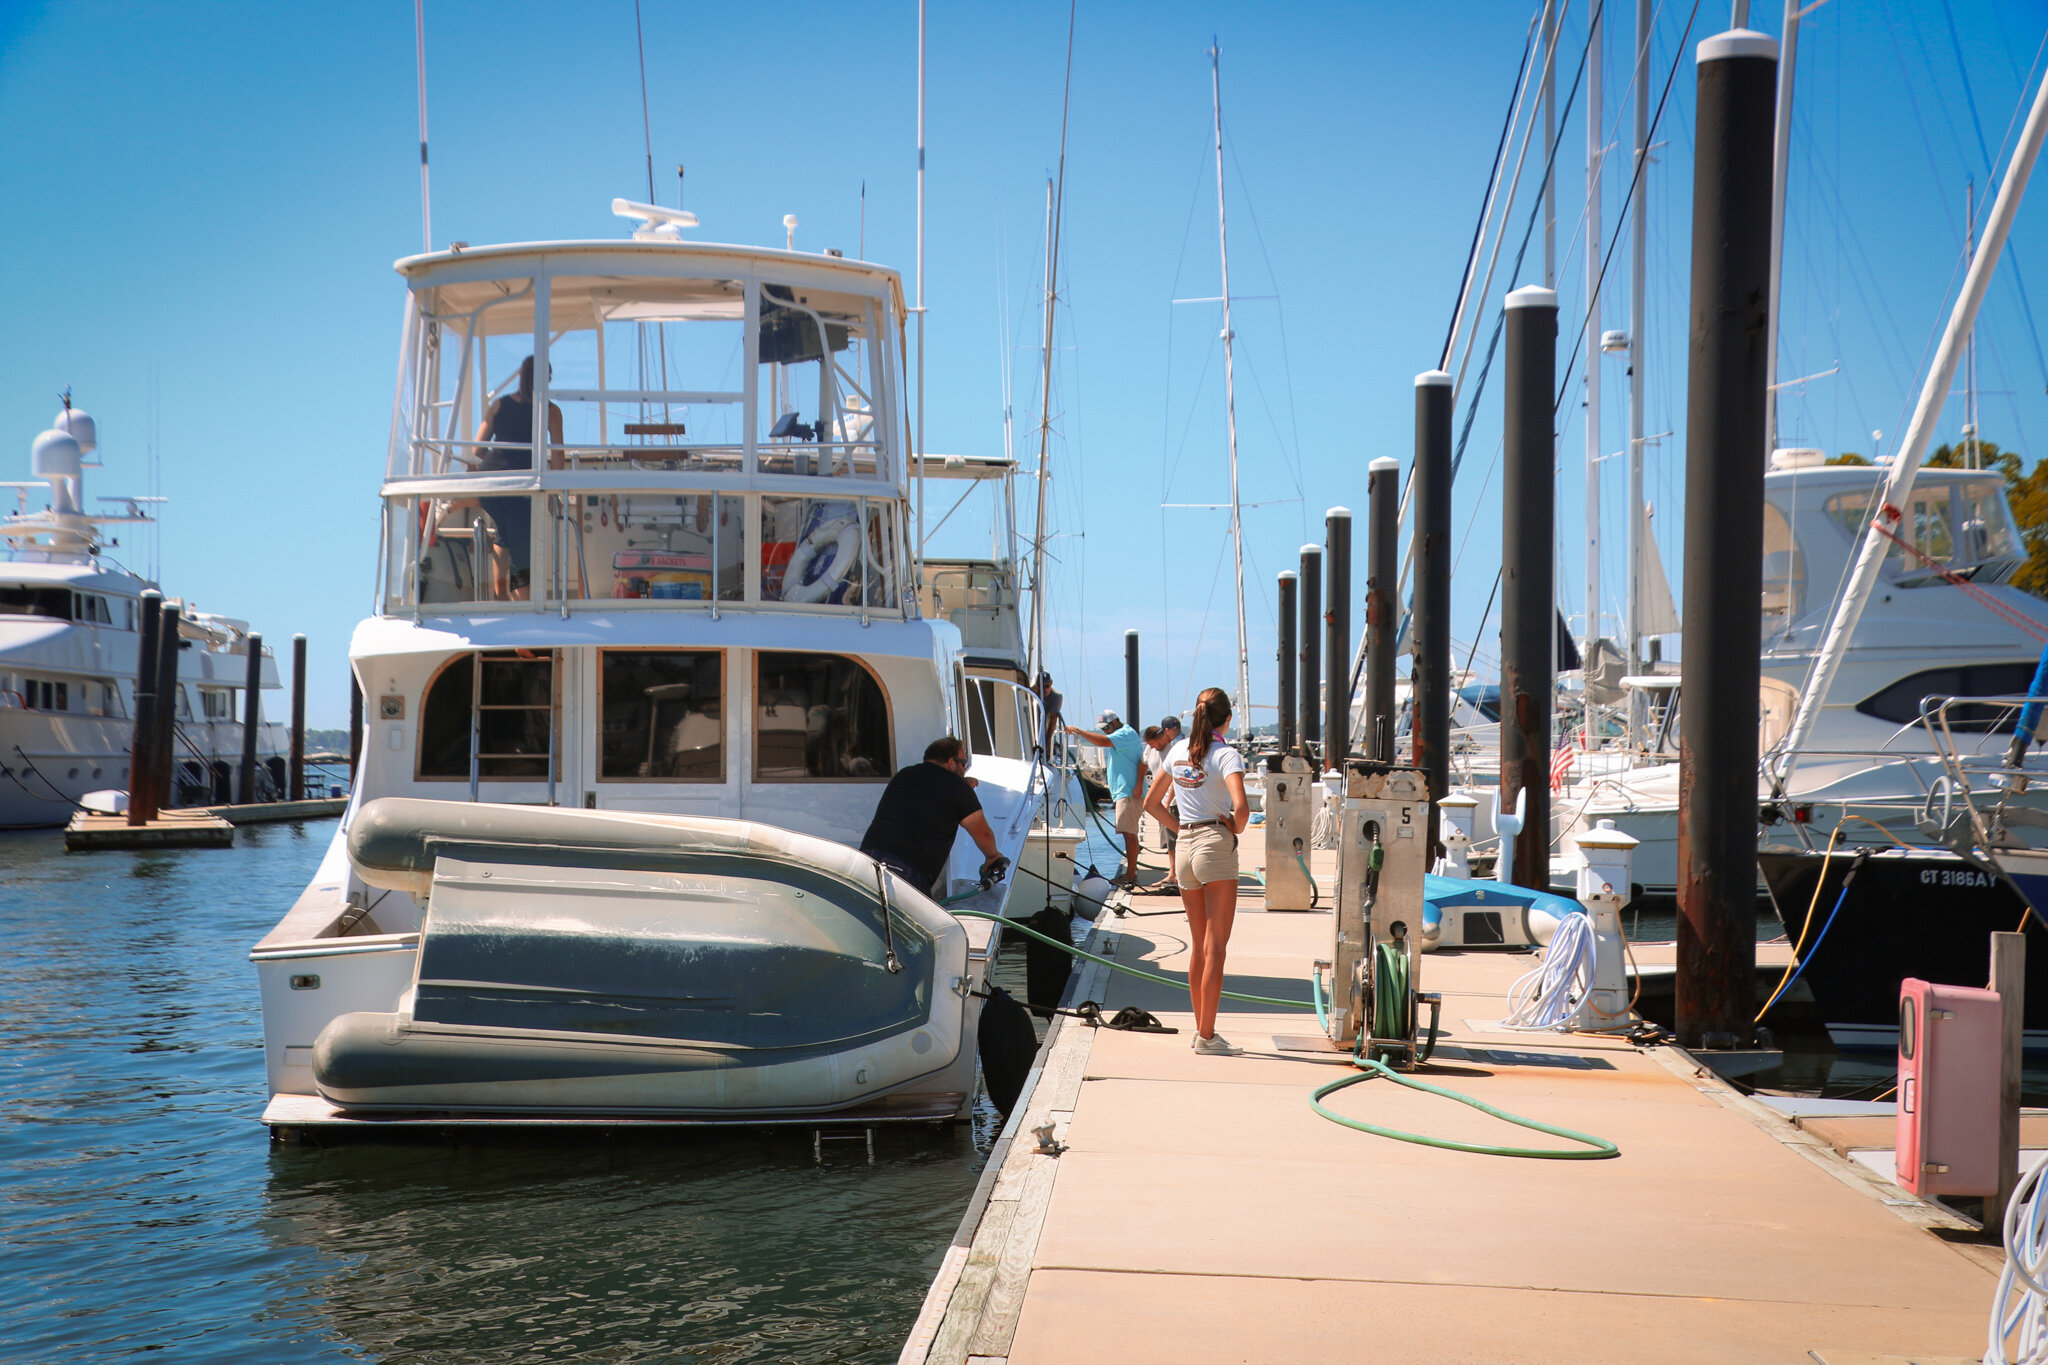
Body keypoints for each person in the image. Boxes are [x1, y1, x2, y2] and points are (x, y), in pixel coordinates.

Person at [1142, 688, 1250, 1055]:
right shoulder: (1226, 755)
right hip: (1214, 845)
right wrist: (1234, 827)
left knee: (1199, 946)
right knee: (1215, 947)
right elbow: (1242, 809)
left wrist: (1180, 829)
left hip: (1186, 846)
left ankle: (1201, 1028)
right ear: (1227, 719)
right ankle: (1207, 1036)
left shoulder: (1177, 751)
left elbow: (1151, 803)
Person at [860, 735, 1007, 898]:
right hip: (904, 872)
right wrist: (993, 856)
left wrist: (963, 786)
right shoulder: (957, 788)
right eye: (964, 763)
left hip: (867, 860)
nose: (965, 769)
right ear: (951, 762)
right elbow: (982, 831)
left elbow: (928, 793)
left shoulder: (904, 775)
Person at [470, 356, 565, 600]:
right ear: (547, 379)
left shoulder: (499, 405)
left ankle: (501, 594)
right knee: (522, 545)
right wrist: (554, 492)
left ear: (521, 377)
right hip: (523, 485)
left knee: (504, 534)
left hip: (490, 483)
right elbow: (558, 454)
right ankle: (524, 600)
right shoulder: (551, 411)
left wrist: (500, 460)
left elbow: (477, 449)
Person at [1064, 709, 1145, 887]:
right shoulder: (1124, 734)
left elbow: (1103, 742)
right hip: (1124, 791)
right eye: (1103, 729)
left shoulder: (1125, 734)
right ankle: (1131, 872)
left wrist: (1078, 731)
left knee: (1129, 834)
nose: (1105, 731)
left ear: (1115, 722)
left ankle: (1131, 875)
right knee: (1128, 833)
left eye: (1107, 728)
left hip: (1128, 792)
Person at [1032, 672, 1064, 755]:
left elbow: (1053, 720)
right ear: (1037, 685)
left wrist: (1047, 742)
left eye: (1047, 686)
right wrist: (1031, 693)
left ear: (1051, 683)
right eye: (1041, 686)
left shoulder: (1056, 696)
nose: (1045, 689)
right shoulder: (1032, 693)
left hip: (1045, 728)